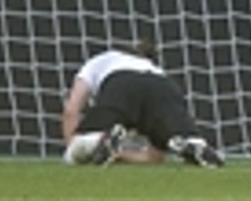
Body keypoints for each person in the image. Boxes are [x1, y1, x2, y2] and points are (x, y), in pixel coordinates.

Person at [60, 41, 223, 167]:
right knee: (178, 137)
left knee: (83, 145)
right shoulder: (155, 69)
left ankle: (95, 141)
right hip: (164, 87)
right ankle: (193, 143)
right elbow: (154, 158)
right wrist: (120, 156)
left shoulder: (101, 60)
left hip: (121, 82)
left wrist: (71, 150)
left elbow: (71, 110)